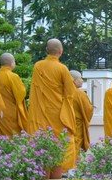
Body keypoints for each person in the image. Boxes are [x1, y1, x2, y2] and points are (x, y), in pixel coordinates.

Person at [28, 39, 77, 167]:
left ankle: (42, 168)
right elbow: (71, 92)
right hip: (58, 112)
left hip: (41, 111)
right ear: (61, 51)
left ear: (46, 50)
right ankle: (64, 169)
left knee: (43, 138)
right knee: (65, 140)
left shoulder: (38, 66)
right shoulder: (62, 68)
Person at [0, 53, 28, 136]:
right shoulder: (13, 76)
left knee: (0, 138)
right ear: (11, 63)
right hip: (11, 114)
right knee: (13, 137)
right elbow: (21, 93)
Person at [69, 70, 93, 159]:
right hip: (76, 126)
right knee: (74, 149)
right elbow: (89, 110)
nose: (82, 80)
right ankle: (72, 169)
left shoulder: (61, 92)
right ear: (74, 80)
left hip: (65, 125)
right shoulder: (80, 94)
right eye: (80, 78)